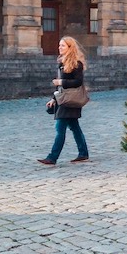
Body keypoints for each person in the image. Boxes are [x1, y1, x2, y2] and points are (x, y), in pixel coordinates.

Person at [38, 36, 89, 165]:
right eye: (59, 45)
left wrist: (61, 81)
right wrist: (53, 98)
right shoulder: (62, 63)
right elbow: (58, 86)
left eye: (63, 46)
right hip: (63, 99)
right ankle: (83, 153)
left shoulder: (77, 63)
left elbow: (78, 82)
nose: (59, 48)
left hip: (71, 99)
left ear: (70, 48)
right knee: (74, 127)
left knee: (60, 128)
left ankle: (52, 157)